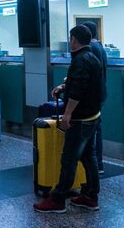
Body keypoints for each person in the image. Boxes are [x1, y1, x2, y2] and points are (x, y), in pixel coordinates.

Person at [34, 25, 103, 213]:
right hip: (93, 116)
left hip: (80, 118)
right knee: (88, 157)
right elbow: (84, 83)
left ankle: (57, 200)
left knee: (69, 159)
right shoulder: (92, 57)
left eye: (70, 38)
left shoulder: (80, 60)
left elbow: (79, 91)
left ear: (73, 40)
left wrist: (68, 113)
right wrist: (65, 86)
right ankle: (91, 197)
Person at [81, 21, 107, 174]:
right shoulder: (99, 47)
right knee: (96, 127)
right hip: (99, 93)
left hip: (94, 95)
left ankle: (97, 163)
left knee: (94, 129)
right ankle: (97, 163)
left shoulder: (92, 48)